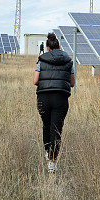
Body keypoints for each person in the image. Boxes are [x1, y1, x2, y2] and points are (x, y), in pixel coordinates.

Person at [33, 32, 75, 173]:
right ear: (59, 46)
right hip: (61, 99)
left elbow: (35, 80)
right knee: (56, 129)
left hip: (43, 98)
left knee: (46, 125)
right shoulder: (68, 61)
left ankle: (47, 152)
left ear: (48, 48)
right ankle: (52, 162)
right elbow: (72, 83)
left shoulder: (41, 60)